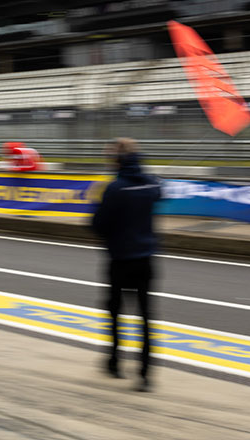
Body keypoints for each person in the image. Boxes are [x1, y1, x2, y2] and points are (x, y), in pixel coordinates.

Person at [92, 138, 161, 392]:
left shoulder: (115, 188)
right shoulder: (151, 184)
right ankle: (145, 375)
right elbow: (158, 194)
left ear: (118, 160)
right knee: (145, 317)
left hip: (120, 259)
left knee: (115, 312)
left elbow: (97, 225)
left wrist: (96, 202)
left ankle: (114, 362)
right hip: (146, 259)